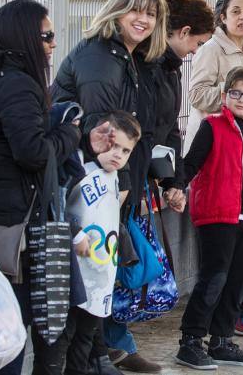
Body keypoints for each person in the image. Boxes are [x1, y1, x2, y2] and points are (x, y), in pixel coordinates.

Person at [0, 0, 107, 375]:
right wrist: (70, 134)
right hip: (16, 219)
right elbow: (34, 153)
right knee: (13, 321)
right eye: (47, 35)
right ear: (25, 37)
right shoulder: (19, 85)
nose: (54, 43)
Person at [51, 0, 168, 374]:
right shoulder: (101, 56)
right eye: (136, 10)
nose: (143, 19)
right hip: (87, 183)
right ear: (117, 10)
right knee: (87, 275)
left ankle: (99, 355)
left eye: (151, 14)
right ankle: (84, 361)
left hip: (109, 181)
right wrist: (119, 186)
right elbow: (104, 134)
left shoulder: (129, 56)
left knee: (103, 272)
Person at [176, 66, 243, 369]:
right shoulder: (213, 126)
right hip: (220, 219)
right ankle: (190, 342)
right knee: (213, 280)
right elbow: (191, 163)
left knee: (237, 283)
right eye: (236, 93)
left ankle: (221, 340)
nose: (242, 99)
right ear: (224, 95)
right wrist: (177, 186)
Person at [64, 111, 141, 375]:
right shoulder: (79, 169)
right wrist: (75, 233)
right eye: (113, 146)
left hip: (100, 273)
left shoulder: (114, 177)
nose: (118, 155)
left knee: (86, 335)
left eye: (126, 151)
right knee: (70, 337)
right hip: (74, 273)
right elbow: (60, 204)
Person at [154, 0, 215, 213]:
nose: (195, 52)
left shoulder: (171, 69)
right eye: (198, 43)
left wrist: (174, 181)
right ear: (184, 31)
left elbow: (169, 129)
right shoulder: (151, 65)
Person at [184, 0, 243, 153]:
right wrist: (232, 93)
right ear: (223, 18)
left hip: (239, 139)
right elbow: (196, 95)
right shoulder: (210, 49)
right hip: (209, 141)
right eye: (236, 12)